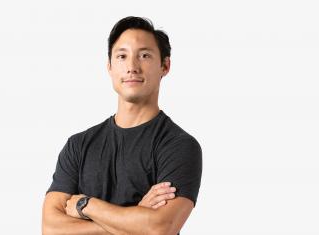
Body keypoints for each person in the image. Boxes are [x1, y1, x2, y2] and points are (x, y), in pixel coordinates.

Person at [42, 16, 202, 235]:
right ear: (109, 66)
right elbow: (51, 228)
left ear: (165, 65)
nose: (132, 67)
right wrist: (135, 218)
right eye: (122, 56)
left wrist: (86, 205)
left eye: (144, 55)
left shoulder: (179, 146)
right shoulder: (78, 145)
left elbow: (159, 228)